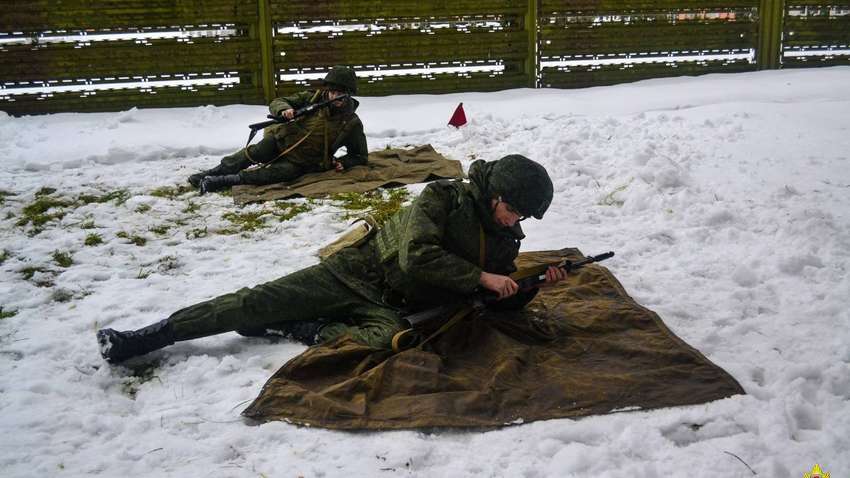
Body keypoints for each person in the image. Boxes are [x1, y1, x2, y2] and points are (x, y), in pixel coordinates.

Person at [98, 155, 566, 363]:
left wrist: (528, 287)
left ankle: (304, 329)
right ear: (494, 194)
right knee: (253, 302)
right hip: (352, 273)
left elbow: (493, 297)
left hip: (389, 307)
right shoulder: (442, 198)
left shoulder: (505, 239)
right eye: (514, 210)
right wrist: (481, 276)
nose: (515, 221)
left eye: (523, 216)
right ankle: (148, 337)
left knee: (393, 344)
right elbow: (417, 255)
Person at [188, 66, 368, 194]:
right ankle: (212, 172)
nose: (336, 97)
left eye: (341, 93)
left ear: (348, 94)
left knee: (276, 174)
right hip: (281, 141)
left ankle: (220, 182)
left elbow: (360, 155)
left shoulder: (351, 122)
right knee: (256, 152)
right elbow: (277, 101)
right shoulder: (310, 99)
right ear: (327, 90)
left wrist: (344, 162)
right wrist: (285, 110)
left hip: (304, 162)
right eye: (333, 92)